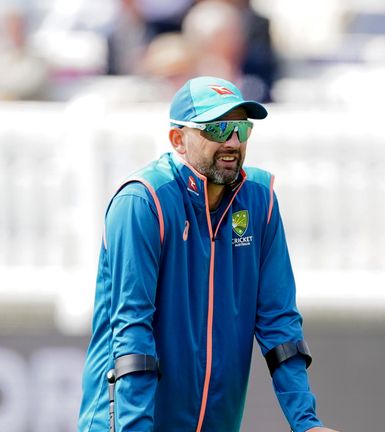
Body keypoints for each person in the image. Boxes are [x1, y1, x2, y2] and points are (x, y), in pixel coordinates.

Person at [78, 76, 339, 432]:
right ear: (178, 140)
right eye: (217, 129)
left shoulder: (260, 199)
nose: (232, 142)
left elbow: (279, 322)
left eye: (240, 128)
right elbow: (132, 331)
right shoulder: (142, 202)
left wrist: (306, 423)